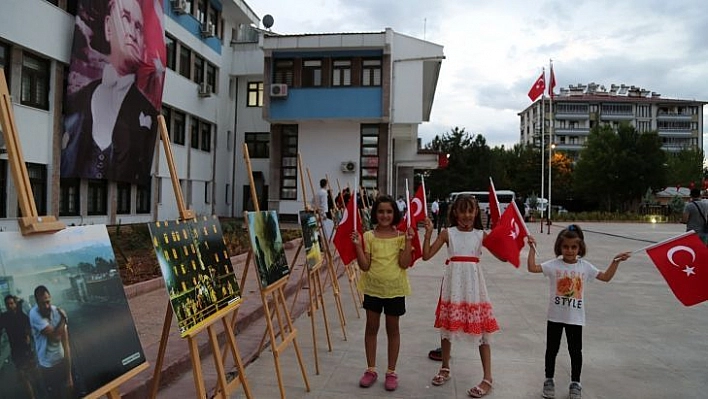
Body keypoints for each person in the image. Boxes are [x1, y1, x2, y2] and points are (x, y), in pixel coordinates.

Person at [527, 225, 630, 399]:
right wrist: (531, 248)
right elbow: (532, 268)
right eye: (565, 246)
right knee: (552, 349)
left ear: (580, 248)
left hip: (575, 319)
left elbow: (605, 277)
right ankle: (549, 379)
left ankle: (576, 382)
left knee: (576, 351)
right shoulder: (553, 265)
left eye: (573, 247)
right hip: (555, 317)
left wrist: (615, 262)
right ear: (560, 247)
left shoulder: (585, 267)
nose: (569, 250)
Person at [61, 0, 159, 185]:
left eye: (138, 27)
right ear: (108, 26)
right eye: (126, 19)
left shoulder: (148, 113)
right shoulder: (78, 100)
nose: (132, 32)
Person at [421, 194, 499, 398]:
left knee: (482, 329)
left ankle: (487, 377)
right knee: (447, 326)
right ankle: (445, 367)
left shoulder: (481, 235)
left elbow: (503, 255)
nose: (466, 215)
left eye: (470, 211)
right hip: (453, 284)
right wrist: (428, 233)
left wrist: (512, 239)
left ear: (476, 213)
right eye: (462, 210)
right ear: (455, 212)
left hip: (474, 285)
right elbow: (427, 255)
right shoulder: (448, 233)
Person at [351, 195, 414, 392]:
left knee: (392, 329)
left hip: (395, 290)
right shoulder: (368, 236)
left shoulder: (402, 236)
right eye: (380, 211)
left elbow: (405, 263)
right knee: (371, 328)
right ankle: (370, 369)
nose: (385, 215)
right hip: (373, 289)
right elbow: (364, 266)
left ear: (395, 213)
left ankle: (391, 371)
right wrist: (357, 245)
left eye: (389, 211)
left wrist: (409, 242)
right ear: (375, 214)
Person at [29, 285, 73, 399]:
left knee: (72, 392)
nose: (46, 306)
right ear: (37, 303)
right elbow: (55, 337)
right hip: (47, 365)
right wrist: (63, 319)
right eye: (42, 303)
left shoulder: (56, 312)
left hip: (62, 360)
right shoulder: (34, 314)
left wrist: (69, 375)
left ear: (50, 298)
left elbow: (65, 344)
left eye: (48, 302)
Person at [1, 295, 38, 398]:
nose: (10, 306)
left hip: (27, 349)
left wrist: (28, 336)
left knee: (34, 375)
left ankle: (39, 389)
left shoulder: (22, 315)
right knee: (24, 377)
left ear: (15, 304)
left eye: (11, 303)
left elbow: (30, 327)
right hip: (16, 352)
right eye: (7, 304)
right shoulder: (4, 317)